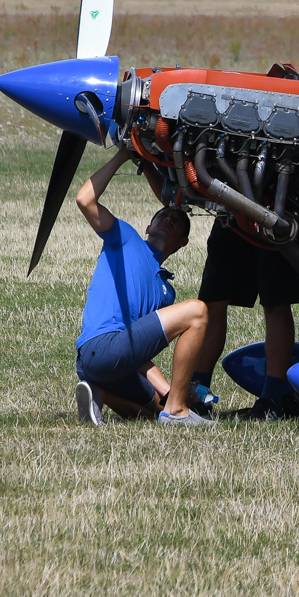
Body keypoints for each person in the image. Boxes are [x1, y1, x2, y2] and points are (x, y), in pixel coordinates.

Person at [72, 147, 212, 426]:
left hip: (109, 365)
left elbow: (139, 352)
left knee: (153, 413)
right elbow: (84, 199)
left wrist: (170, 391)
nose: (170, 218)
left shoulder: (165, 291)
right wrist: (122, 156)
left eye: (178, 221)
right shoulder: (125, 237)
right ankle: (177, 411)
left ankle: (99, 393)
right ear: (148, 226)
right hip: (100, 347)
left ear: (183, 242)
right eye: (163, 216)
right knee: (198, 311)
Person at [192, 218, 299, 420]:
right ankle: (197, 395)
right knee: (212, 301)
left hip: (278, 208)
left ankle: (271, 401)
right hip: (231, 209)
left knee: (276, 301)